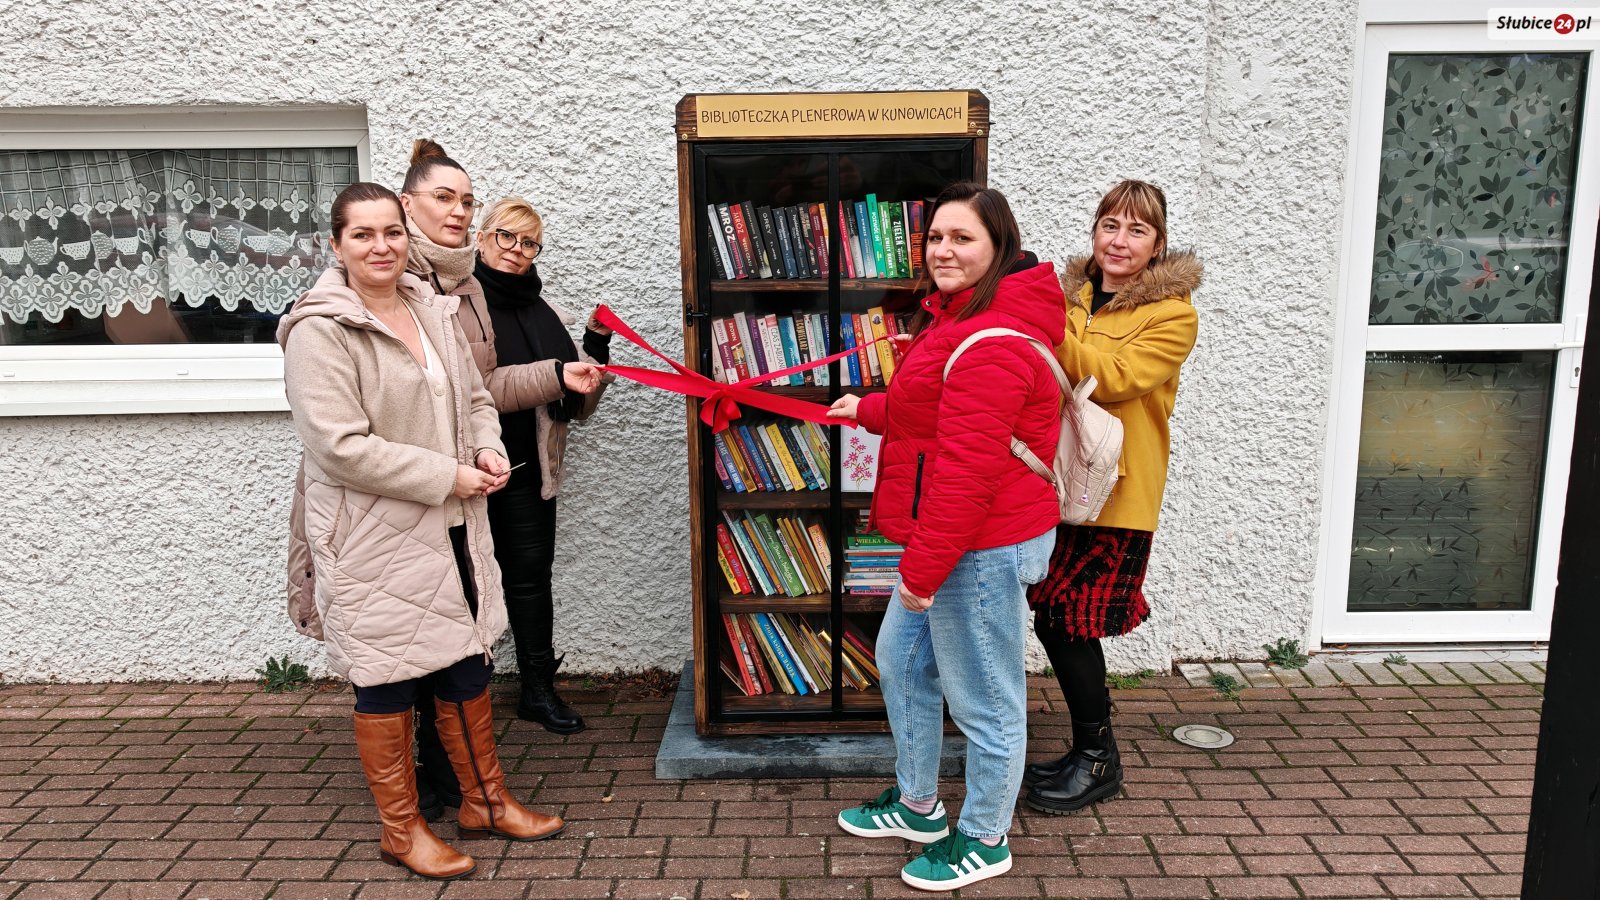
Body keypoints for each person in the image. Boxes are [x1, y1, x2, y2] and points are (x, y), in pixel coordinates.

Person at [280, 182, 563, 881]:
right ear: (336, 245)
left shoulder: (430, 308)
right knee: (388, 679)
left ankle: (486, 803)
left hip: (450, 522)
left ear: (407, 235)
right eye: (362, 235)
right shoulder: (320, 330)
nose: (381, 246)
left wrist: (489, 447)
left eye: (391, 233)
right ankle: (401, 832)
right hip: (372, 530)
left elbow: (473, 395)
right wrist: (448, 474)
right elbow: (338, 446)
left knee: (466, 659)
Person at [826, 182, 1063, 892]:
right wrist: (869, 409)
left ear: (999, 249)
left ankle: (987, 836)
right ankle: (920, 805)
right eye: (935, 237)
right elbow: (933, 406)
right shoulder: (960, 314)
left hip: (978, 545)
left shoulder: (992, 335)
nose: (944, 251)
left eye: (963, 238)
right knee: (901, 662)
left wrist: (921, 576)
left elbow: (967, 471)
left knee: (985, 699)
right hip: (952, 539)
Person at [1021, 179, 1201, 815]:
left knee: (1069, 621)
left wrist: (1042, 320)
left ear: (1157, 247)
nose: (1119, 241)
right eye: (1110, 225)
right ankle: (1087, 752)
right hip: (1058, 483)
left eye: (1137, 230)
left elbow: (1111, 377)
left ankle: (1099, 759)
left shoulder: (1172, 314)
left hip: (1118, 495)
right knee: (1052, 616)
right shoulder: (1071, 297)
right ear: (1094, 233)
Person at [460, 195, 611, 734]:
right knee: (465, 582)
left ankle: (537, 690)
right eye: (506, 236)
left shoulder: (544, 310)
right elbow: (473, 391)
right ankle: (462, 696)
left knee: (529, 579)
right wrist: (555, 373)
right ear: (481, 237)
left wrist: (595, 353)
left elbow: (573, 407)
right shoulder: (457, 304)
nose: (516, 251)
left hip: (528, 468)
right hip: (468, 470)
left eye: (528, 243)